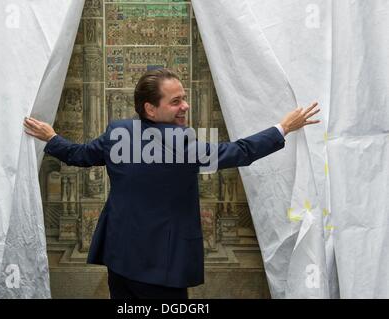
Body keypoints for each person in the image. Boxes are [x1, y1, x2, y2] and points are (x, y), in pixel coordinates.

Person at [24, 68, 320, 299]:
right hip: (161, 269)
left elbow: (79, 155)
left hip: (119, 258)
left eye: (184, 98)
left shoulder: (118, 132)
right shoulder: (182, 144)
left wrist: (52, 138)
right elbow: (240, 152)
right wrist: (284, 127)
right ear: (150, 109)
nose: (185, 106)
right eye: (176, 101)